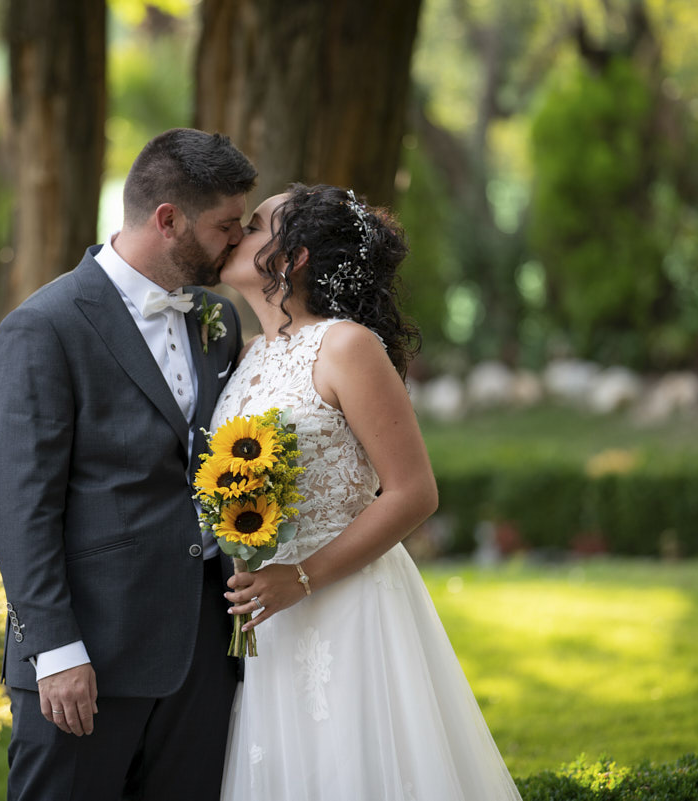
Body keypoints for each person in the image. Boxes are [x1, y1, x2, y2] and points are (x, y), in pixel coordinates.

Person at [213, 184, 523, 800]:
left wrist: (299, 577)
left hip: (348, 606)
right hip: (271, 620)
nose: (235, 234)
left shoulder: (347, 346)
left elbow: (413, 493)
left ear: (293, 256)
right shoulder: (246, 354)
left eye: (254, 225)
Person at [0, 128, 256, 801]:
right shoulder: (44, 326)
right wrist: (55, 650)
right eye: (227, 225)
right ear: (169, 220)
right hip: (87, 657)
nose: (240, 241)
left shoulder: (218, 319)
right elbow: (24, 507)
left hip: (202, 653)